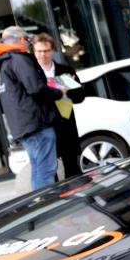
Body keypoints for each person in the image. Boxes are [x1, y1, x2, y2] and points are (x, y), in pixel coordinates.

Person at [0, 26, 63, 191]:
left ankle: (40, 204)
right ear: (23, 40)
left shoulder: (2, 62)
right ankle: (47, 206)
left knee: (38, 168)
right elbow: (36, 88)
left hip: (24, 124)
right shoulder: (19, 59)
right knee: (45, 170)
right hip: (37, 122)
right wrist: (58, 92)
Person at [32, 34, 84, 178]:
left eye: (46, 51)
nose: (43, 55)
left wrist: (67, 91)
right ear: (34, 51)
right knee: (49, 170)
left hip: (65, 124)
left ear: (52, 50)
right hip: (45, 125)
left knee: (72, 168)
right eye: (39, 51)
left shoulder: (65, 71)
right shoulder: (32, 73)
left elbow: (80, 97)